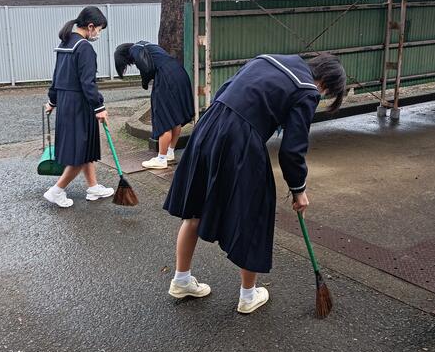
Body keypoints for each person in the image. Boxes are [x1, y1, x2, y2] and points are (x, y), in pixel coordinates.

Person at [163, 53, 346, 314]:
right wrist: (299, 190)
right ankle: (248, 296)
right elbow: (292, 151)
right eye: (326, 93)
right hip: (240, 139)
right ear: (325, 84)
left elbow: (227, 89)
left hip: (209, 126)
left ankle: (181, 280)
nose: (321, 95)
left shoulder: (268, 59)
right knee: (255, 215)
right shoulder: (307, 89)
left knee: (195, 207)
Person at [43, 6, 114, 208]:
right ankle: (56, 191)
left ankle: (93, 187)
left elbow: (56, 77)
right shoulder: (84, 48)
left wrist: (52, 101)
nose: (98, 33)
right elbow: (88, 83)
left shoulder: (65, 43)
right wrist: (99, 107)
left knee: (84, 147)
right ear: (90, 26)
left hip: (66, 104)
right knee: (80, 152)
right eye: (99, 29)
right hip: (80, 105)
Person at [113, 41, 194, 169]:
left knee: (164, 120)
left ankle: (161, 159)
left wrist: (144, 82)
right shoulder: (145, 45)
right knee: (175, 117)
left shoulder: (135, 50)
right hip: (179, 73)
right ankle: (169, 153)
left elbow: (146, 68)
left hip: (167, 79)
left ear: (124, 56)